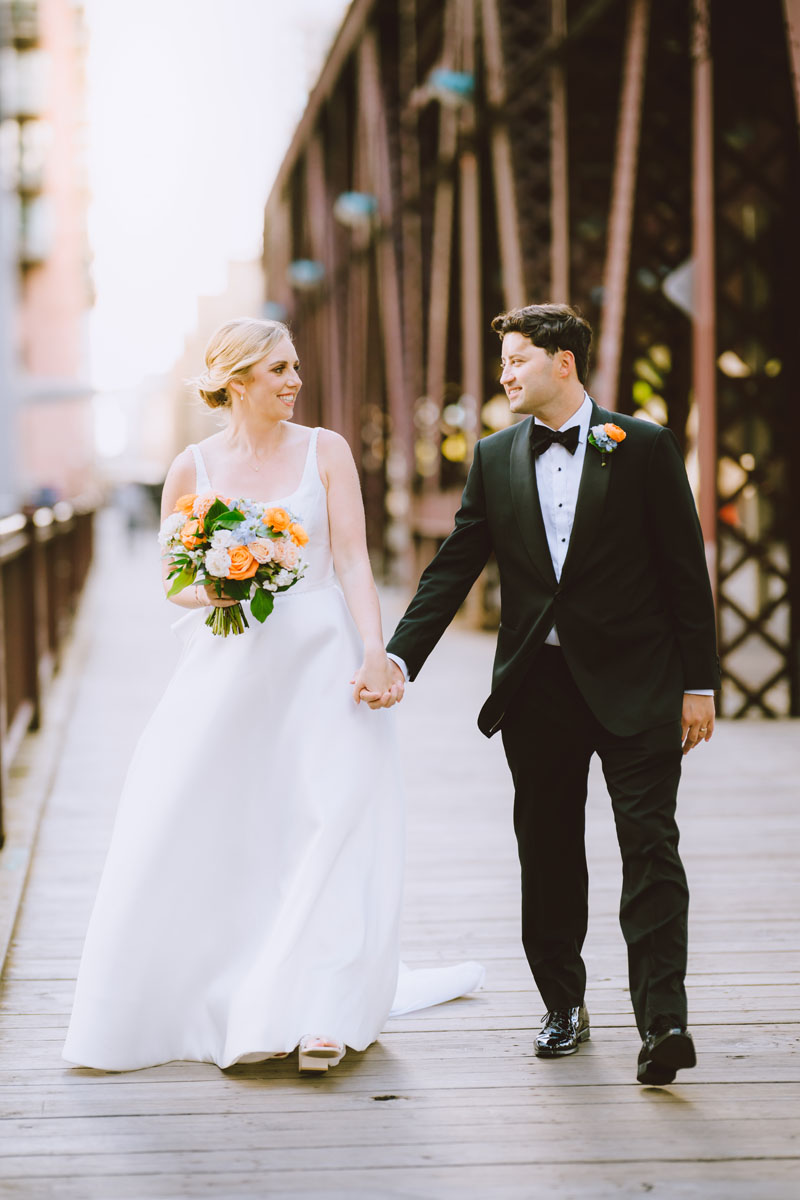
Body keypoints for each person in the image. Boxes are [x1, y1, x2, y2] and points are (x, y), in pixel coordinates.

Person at [63, 317, 482, 1074]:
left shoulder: (327, 450)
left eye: (295, 368)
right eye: (280, 370)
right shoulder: (192, 467)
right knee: (239, 828)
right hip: (229, 673)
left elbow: (352, 560)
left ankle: (321, 1010)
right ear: (237, 380)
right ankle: (238, 990)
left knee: (333, 818)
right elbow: (173, 580)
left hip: (325, 665)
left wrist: (374, 650)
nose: (295, 381)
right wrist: (226, 580)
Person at [381, 304, 719, 1086]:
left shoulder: (644, 446)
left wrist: (698, 684)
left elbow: (683, 573)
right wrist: (400, 660)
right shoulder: (495, 457)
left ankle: (663, 1019)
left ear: (563, 362)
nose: (504, 373)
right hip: (539, 689)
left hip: (641, 685)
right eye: (502, 361)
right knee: (549, 852)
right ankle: (563, 1004)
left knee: (651, 847)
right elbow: (453, 568)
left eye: (517, 359)